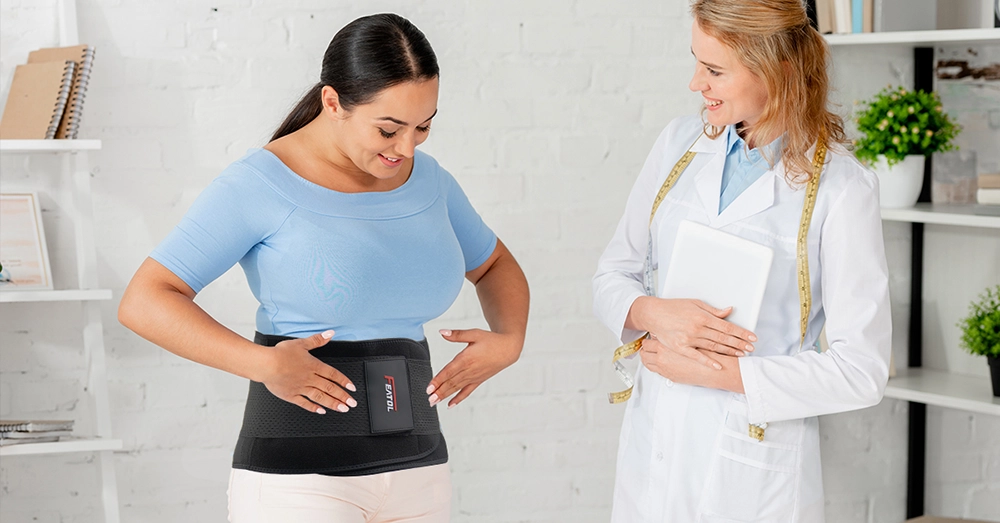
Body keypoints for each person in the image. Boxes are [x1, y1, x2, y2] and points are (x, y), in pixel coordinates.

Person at [118, 13, 528, 523]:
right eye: (388, 128)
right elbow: (146, 299)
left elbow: (494, 266)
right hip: (300, 484)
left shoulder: (430, 182)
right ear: (333, 102)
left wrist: (509, 338)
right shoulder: (261, 183)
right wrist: (262, 364)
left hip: (419, 471)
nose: (407, 147)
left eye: (423, 126)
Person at [592, 1, 891, 521]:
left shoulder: (842, 190)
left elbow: (861, 371)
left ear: (775, 68)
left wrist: (721, 373)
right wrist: (653, 313)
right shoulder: (676, 146)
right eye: (697, 63)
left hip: (750, 466)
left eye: (713, 71)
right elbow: (612, 274)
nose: (694, 84)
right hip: (654, 441)